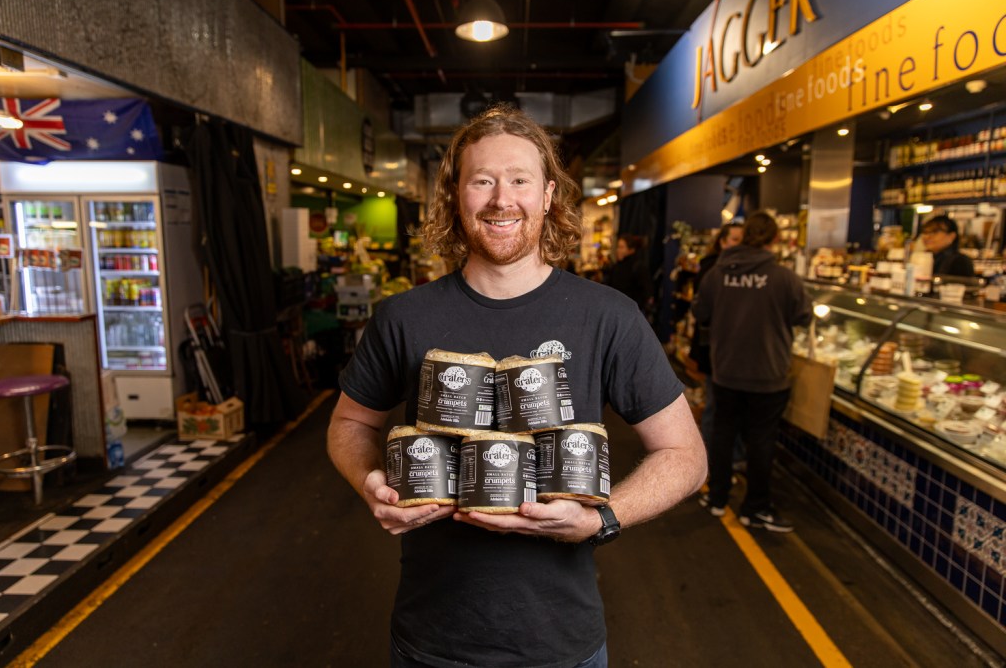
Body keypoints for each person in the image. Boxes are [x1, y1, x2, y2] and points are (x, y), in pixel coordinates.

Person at [327, 104, 706, 668]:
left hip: (562, 645)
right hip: (431, 642)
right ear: (456, 195)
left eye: (520, 180)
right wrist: (370, 484)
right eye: (482, 180)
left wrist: (599, 519)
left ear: (548, 194)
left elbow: (687, 456)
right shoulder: (402, 317)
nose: (502, 199)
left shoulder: (608, 317)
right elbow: (350, 423)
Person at [692, 211, 812, 532]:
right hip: (769, 374)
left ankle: (717, 498)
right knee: (761, 440)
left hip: (727, 370)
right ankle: (755, 508)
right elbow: (804, 317)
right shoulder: (785, 278)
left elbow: (700, 312)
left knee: (722, 433)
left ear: (744, 236)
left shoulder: (718, 274)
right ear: (775, 240)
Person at [688, 223, 743, 466]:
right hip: (715, 348)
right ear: (722, 241)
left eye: (741, 240)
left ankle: (726, 458)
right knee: (714, 405)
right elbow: (701, 309)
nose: (737, 245)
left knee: (722, 406)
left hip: (730, 350)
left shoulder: (738, 269)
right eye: (733, 239)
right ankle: (708, 459)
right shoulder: (714, 269)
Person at [605, 233, 653, 312]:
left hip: (631, 312)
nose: (618, 250)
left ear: (631, 250)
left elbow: (646, 291)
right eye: (618, 247)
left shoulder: (638, 267)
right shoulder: (616, 266)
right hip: (616, 310)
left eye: (621, 247)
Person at [920, 214, 975, 279]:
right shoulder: (924, 257)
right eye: (925, 232)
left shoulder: (960, 261)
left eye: (935, 232)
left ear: (951, 236)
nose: (927, 236)